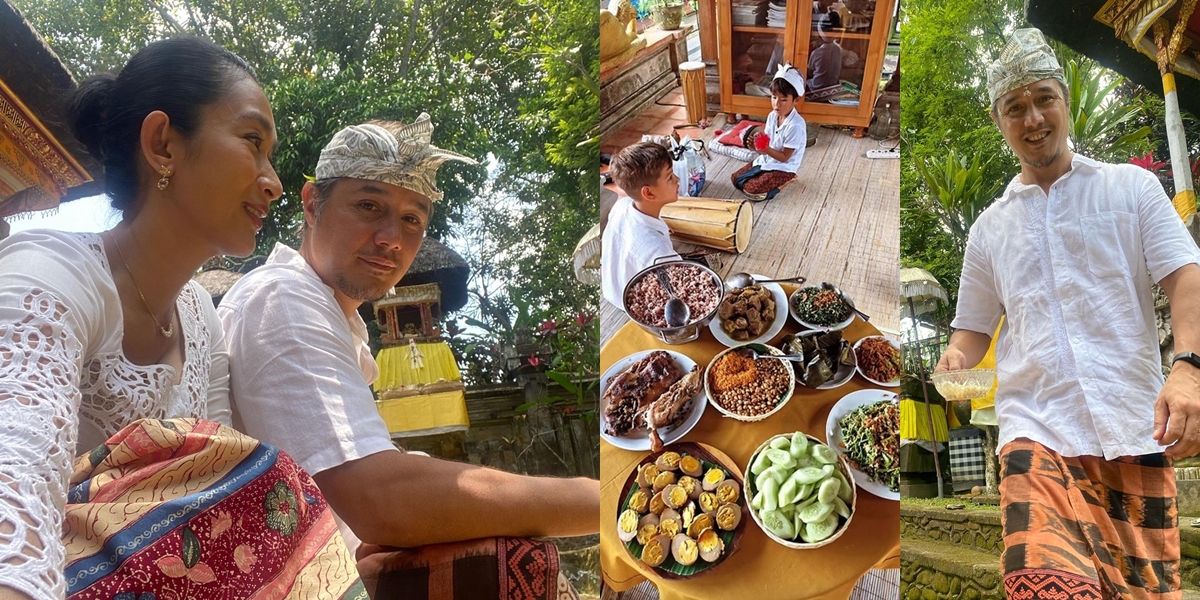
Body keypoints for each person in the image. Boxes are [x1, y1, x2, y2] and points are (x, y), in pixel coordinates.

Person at [0, 38, 363, 600]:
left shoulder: (200, 315)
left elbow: (214, 479)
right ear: (162, 143)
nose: (273, 181)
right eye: (251, 140)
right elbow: (15, 479)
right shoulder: (49, 276)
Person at [218, 116, 600, 596]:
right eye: (368, 205)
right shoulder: (283, 298)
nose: (392, 238)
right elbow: (381, 500)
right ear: (313, 204)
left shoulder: (336, 318)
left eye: (412, 218)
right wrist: (599, 500)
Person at [935, 28, 1200, 600]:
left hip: (1132, 425)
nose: (1033, 119)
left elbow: (1185, 276)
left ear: (1065, 101)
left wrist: (1188, 368)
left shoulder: (1132, 190)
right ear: (998, 120)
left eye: (1043, 100)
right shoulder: (988, 231)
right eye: (1015, 108)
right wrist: (956, 361)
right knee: (1043, 587)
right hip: (1036, 429)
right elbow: (973, 332)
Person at [601, 141, 682, 309]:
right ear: (649, 192)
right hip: (632, 304)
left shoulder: (621, 206)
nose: (677, 179)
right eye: (670, 177)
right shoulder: (660, 254)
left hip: (611, 288)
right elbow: (681, 292)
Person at [730, 64, 807, 201]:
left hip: (784, 166)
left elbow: (784, 158)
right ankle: (763, 174)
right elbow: (767, 142)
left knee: (752, 191)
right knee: (736, 179)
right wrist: (757, 147)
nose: (777, 104)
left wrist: (765, 149)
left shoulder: (796, 126)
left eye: (783, 100)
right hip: (768, 158)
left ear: (796, 100)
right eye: (773, 97)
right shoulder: (772, 116)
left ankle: (788, 179)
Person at [807, 22, 843, 92]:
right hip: (833, 87)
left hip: (816, 87)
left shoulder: (816, 53)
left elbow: (809, 73)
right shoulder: (838, 50)